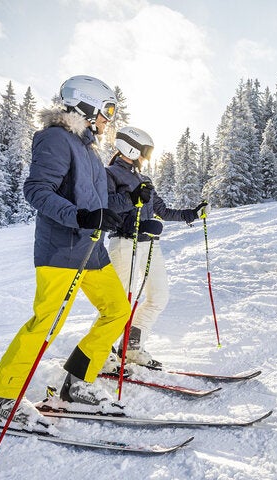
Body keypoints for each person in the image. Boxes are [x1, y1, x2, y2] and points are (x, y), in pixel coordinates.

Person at [0, 75, 131, 426]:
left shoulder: (87, 149)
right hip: (62, 247)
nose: (109, 118)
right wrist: (80, 216)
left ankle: (78, 383)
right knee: (46, 324)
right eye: (106, 110)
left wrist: (128, 200)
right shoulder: (55, 138)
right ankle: (3, 398)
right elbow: (37, 190)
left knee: (117, 310)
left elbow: (96, 201)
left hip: (91, 250)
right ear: (86, 105)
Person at [103, 126, 208, 371]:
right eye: (145, 151)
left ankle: (131, 347)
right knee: (118, 303)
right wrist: (132, 206)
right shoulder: (109, 174)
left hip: (150, 245)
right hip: (125, 243)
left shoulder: (144, 180)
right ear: (131, 147)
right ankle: (103, 353)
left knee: (158, 296)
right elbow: (106, 205)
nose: (147, 156)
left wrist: (192, 214)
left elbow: (162, 210)